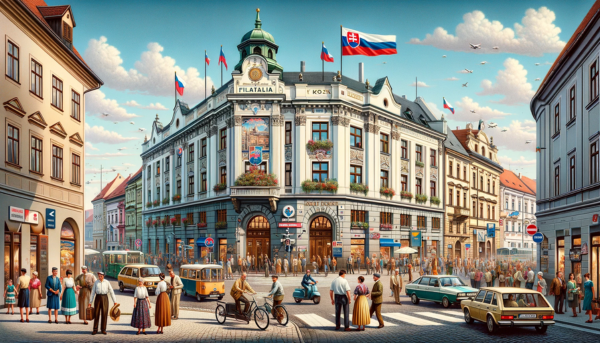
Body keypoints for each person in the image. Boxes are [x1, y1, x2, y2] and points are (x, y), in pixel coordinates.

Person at [89, 271, 118, 335]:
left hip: (105, 298)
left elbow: (111, 292)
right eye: (99, 276)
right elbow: (93, 292)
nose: (100, 277)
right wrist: (90, 302)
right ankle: (95, 329)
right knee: (96, 313)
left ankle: (103, 329)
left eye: (101, 276)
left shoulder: (107, 282)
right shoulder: (96, 282)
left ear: (103, 276)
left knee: (104, 313)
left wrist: (115, 301)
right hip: (98, 297)